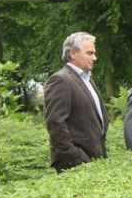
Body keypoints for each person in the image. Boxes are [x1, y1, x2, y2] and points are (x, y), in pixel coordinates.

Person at [44, 32, 108, 173]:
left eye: (94, 53)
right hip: (76, 163)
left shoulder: (88, 80)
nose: (95, 58)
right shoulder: (60, 80)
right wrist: (75, 158)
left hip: (95, 161)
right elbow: (55, 123)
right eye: (89, 53)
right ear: (73, 53)